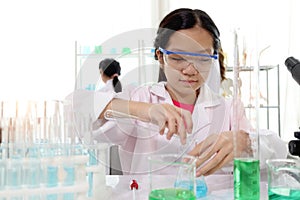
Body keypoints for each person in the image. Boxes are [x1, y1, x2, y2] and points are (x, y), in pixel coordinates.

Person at [76, 8, 287, 175]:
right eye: (178, 58)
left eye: (203, 59)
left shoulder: (228, 108)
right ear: (160, 57)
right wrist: (144, 110)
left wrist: (245, 142)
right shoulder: (140, 97)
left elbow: (278, 150)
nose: (190, 70)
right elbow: (78, 105)